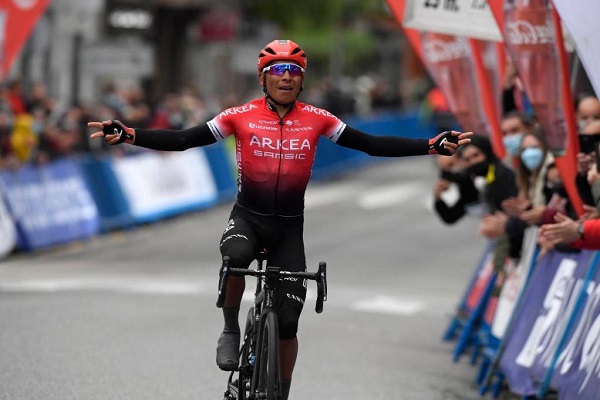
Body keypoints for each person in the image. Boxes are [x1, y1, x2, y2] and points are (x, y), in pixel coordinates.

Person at [87, 39, 472, 399]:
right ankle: (231, 328)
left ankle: (282, 391)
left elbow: (370, 145)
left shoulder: (319, 119)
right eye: (278, 70)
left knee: (289, 322)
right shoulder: (239, 116)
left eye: (294, 70)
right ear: (264, 77)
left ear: (302, 80)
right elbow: (185, 139)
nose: (286, 76)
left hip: (289, 226)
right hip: (248, 217)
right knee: (235, 258)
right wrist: (129, 135)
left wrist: (429, 145)